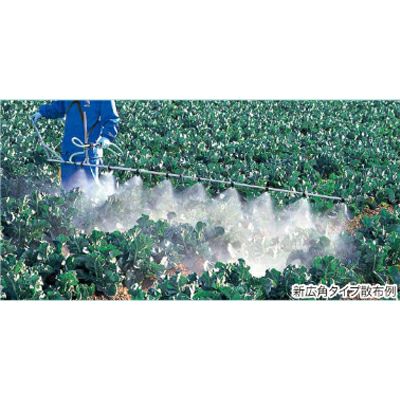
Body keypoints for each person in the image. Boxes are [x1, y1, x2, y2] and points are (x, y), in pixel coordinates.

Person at [32, 100, 119, 190]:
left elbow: (111, 118)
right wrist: (43, 112)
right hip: (68, 150)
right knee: (67, 188)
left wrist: (107, 137)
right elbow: (59, 106)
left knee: (91, 188)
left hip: (89, 152)